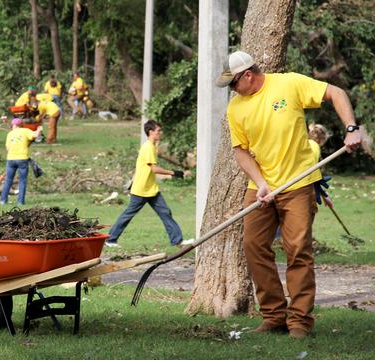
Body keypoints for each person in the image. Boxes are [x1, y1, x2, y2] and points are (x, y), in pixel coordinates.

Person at [215, 50, 361, 339]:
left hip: (299, 183)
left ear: (248, 75)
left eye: (233, 83)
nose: (231, 90)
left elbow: (337, 93)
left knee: (298, 251)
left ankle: (299, 322)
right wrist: (261, 182)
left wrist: (352, 128)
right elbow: (240, 152)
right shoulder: (236, 108)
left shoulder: (289, 84)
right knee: (254, 247)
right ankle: (273, 316)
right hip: (260, 188)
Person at [106, 120, 188, 248]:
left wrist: (157, 143)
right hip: (141, 189)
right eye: (158, 131)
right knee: (128, 215)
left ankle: (177, 240)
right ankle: (110, 240)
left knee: (165, 212)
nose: (160, 133)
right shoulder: (148, 147)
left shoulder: (151, 146)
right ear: (150, 132)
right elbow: (154, 169)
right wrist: (174, 173)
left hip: (151, 189)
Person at [0, 118, 42, 205]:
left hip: (10, 159)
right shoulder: (25, 131)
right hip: (22, 158)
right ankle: (20, 202)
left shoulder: (9, 134)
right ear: (21, 124)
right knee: (22, 180)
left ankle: (3, 200)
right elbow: (35, 135)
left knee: (8, 180)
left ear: (13, 125)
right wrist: (39, 129)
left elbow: (7, 148)